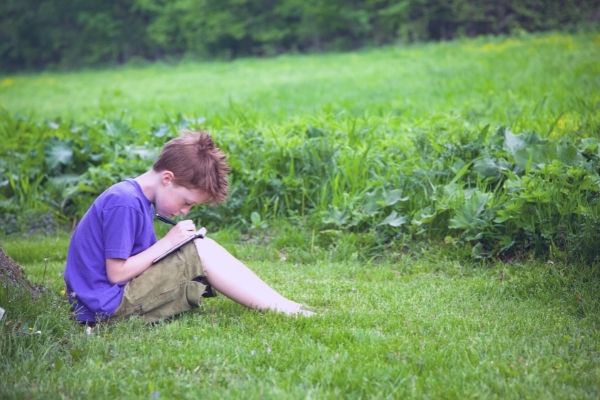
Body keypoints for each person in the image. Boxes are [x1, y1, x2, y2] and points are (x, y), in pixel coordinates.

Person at [64, 130, 313, 324]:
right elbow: (116, 274)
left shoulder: (135, 198)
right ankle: (282, 308)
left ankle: (283, 304)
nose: (184, 210)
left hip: (107, 299)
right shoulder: (125, 202)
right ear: (167, 179)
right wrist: (169, 242)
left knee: (202, 247)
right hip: (105, 307)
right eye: (186, 202)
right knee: (200, 252)